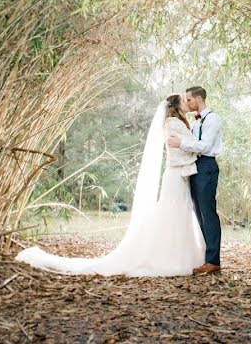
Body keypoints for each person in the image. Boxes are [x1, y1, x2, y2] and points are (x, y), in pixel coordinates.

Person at [14, 94, 205, 277]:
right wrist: (198, 152)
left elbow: (185, 145)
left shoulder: (178, 123)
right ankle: (172, 257)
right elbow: (180, 152)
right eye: (183, 100)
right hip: (176, 176)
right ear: (176, 106)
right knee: (173, 213)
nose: (186, 103)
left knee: (179, 212)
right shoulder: (173, 123)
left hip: (180, 176)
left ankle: (177, 254)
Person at [166, 86, 223, 274]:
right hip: (195, 167)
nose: (187, 103)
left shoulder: (212, 119)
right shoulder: (196, 121)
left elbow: (205, 146)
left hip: (206, 166)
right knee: (199, 214)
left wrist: (181, 143)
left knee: (208, 213)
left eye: (189, 100)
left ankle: (213, 260)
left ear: (198, 99)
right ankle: (207, 257)